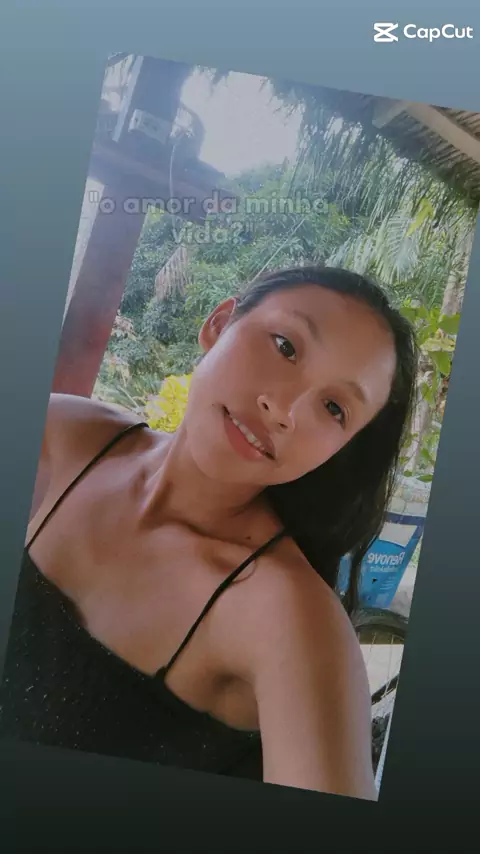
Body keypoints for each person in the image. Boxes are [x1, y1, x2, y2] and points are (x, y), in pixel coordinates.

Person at [0, 265, 417, 800]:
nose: (284, 411)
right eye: (286, 347)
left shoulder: (287, 620)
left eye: (334, 408)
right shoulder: (59, 437)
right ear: (219, 324)